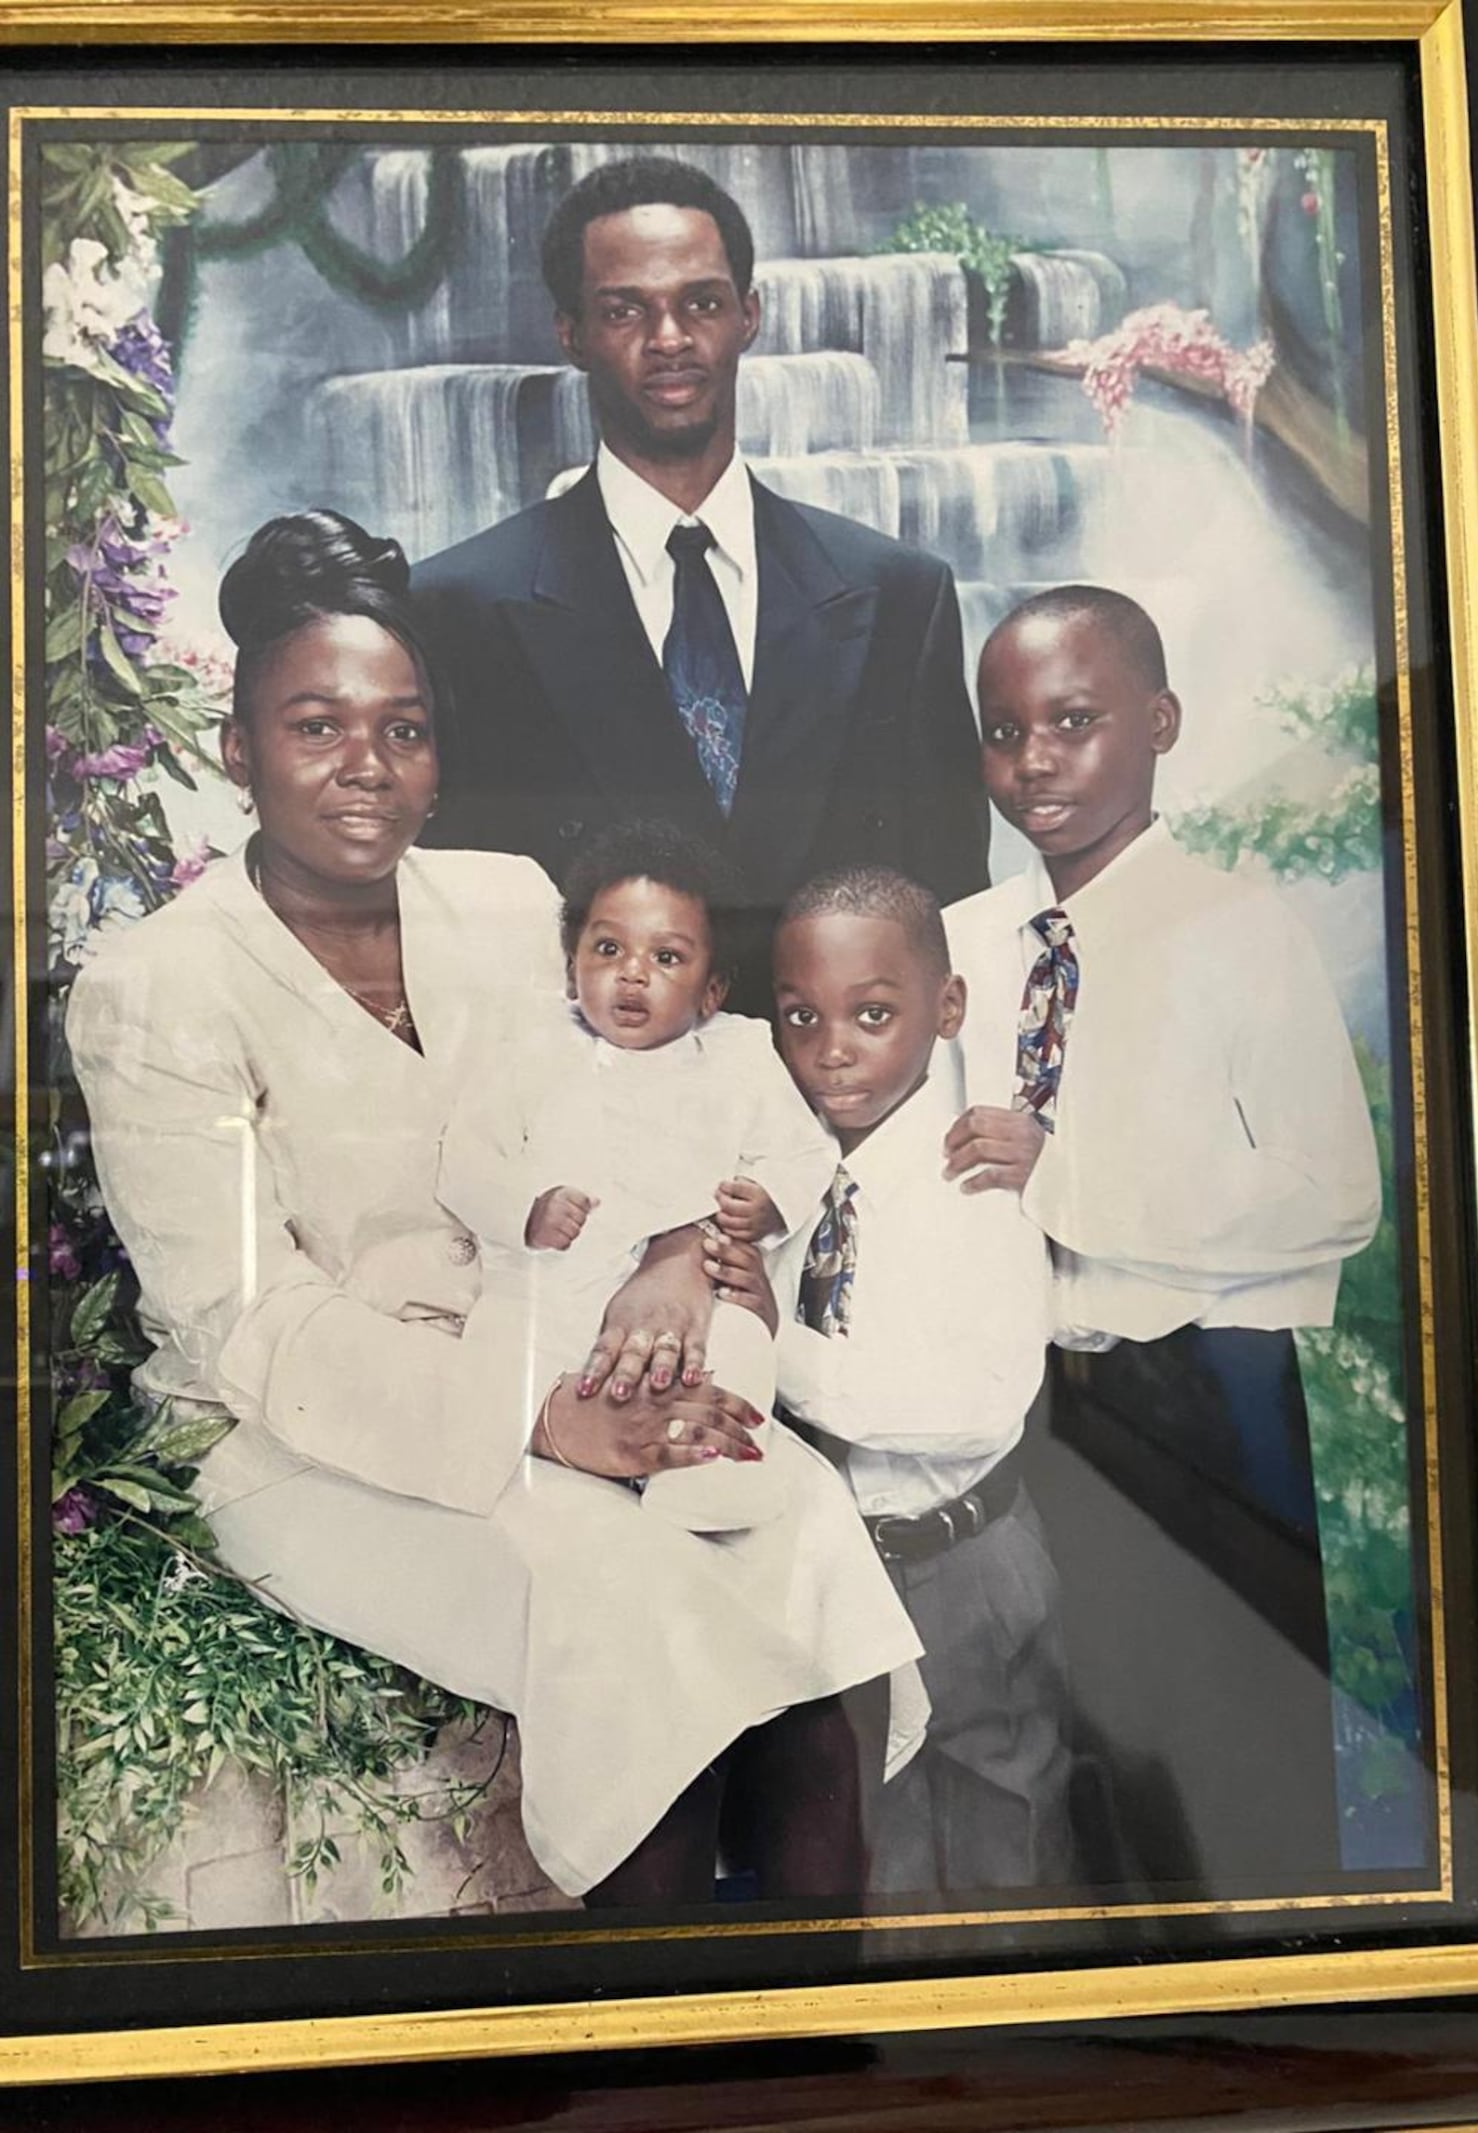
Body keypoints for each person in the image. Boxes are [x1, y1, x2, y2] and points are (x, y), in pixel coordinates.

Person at [65, 510, 925, 1910]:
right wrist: (545, 1421)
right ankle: (641, 2072)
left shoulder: (503, 905)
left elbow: (646, 1100)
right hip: (309, 1436)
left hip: (561, 1344)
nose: (367, 766)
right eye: (316, 726)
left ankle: (806, 2052)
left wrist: (674, 1264)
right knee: (629, 1606)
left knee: (802, 1535)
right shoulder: (157, 987)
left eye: (403, 729)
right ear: (236, 750)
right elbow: (245, 1321)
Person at [941, 585, 1382, 1889]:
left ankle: (1281, 2026)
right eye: (1003, 730)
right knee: (1069, 1743)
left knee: (1234, 1736)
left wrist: (1065, 1177)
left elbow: (1329, 1191)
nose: (1034, 761)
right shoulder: (969, 942)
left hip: (1205, 1392)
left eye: (1072, 721)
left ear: (1162, 720)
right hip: (1021, 1408)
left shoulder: (1237, 931)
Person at [411, 154, 988, 1002]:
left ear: (750, 315)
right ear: (569, 331)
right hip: (581, 1113)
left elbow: (952, 917)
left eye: (702, 302)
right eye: (624, 310)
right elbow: (447, 939)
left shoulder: (902, 596)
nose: (670, 338)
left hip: (841, 1114)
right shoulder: (457, 611)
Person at [710, 866, 1073, 1897]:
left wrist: (780, 1351)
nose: (832, 1050)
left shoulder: (975, 1181)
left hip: (961, 1562)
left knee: (1001, 1827)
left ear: (945, 1007)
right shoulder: (789, 1169)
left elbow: (970, 1410)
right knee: (880, 1839)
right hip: (834, 1566)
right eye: (799, 1017)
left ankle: (1018, 2037)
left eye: (873, 1014)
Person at [433, 817, 838, 1533]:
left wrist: (768, 1202)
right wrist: (527, 1208)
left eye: (668, 957)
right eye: (608, 947)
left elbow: (807, 1149)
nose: (632, 972)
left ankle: (708, 1478)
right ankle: (576, 1452)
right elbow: (465, 1160)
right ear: (571, 964)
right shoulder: (532, 1049)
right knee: (511, 1357)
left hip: (690, 1304)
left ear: (711, 992)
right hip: (554, 1285)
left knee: (738, 1341)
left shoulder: (738, 1058)